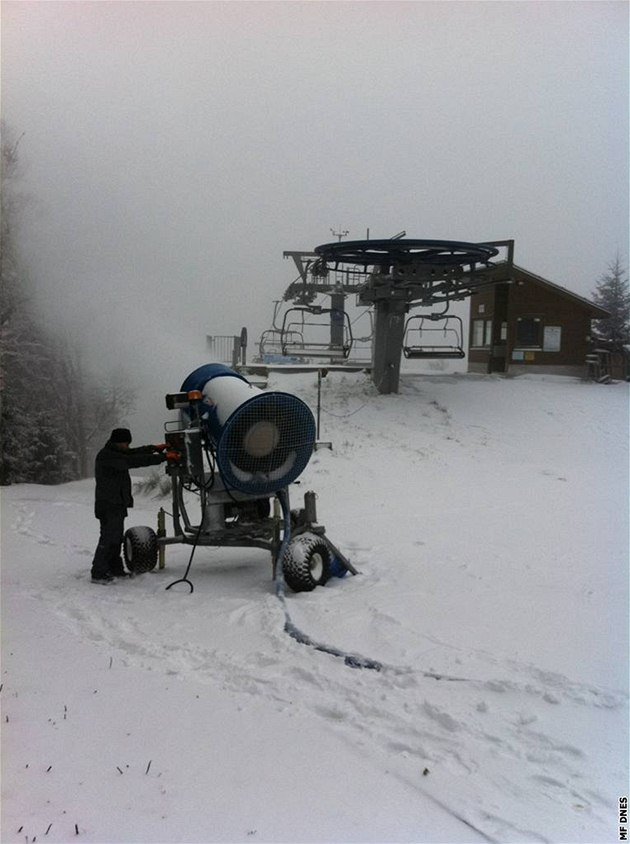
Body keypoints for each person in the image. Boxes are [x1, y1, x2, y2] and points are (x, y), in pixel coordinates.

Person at [90, 428, 167, 584]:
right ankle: (98, 572)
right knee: (108, 538)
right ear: (117, 442)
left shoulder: (116, 452)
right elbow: (133, 461)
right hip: (108, 505)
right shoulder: (107, 456)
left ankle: (114, 568)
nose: (127, 447)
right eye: (125, 443)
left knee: (116, 538)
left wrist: (153, 449)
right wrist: (163, 457)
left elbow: (133, 454)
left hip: (116, 504)